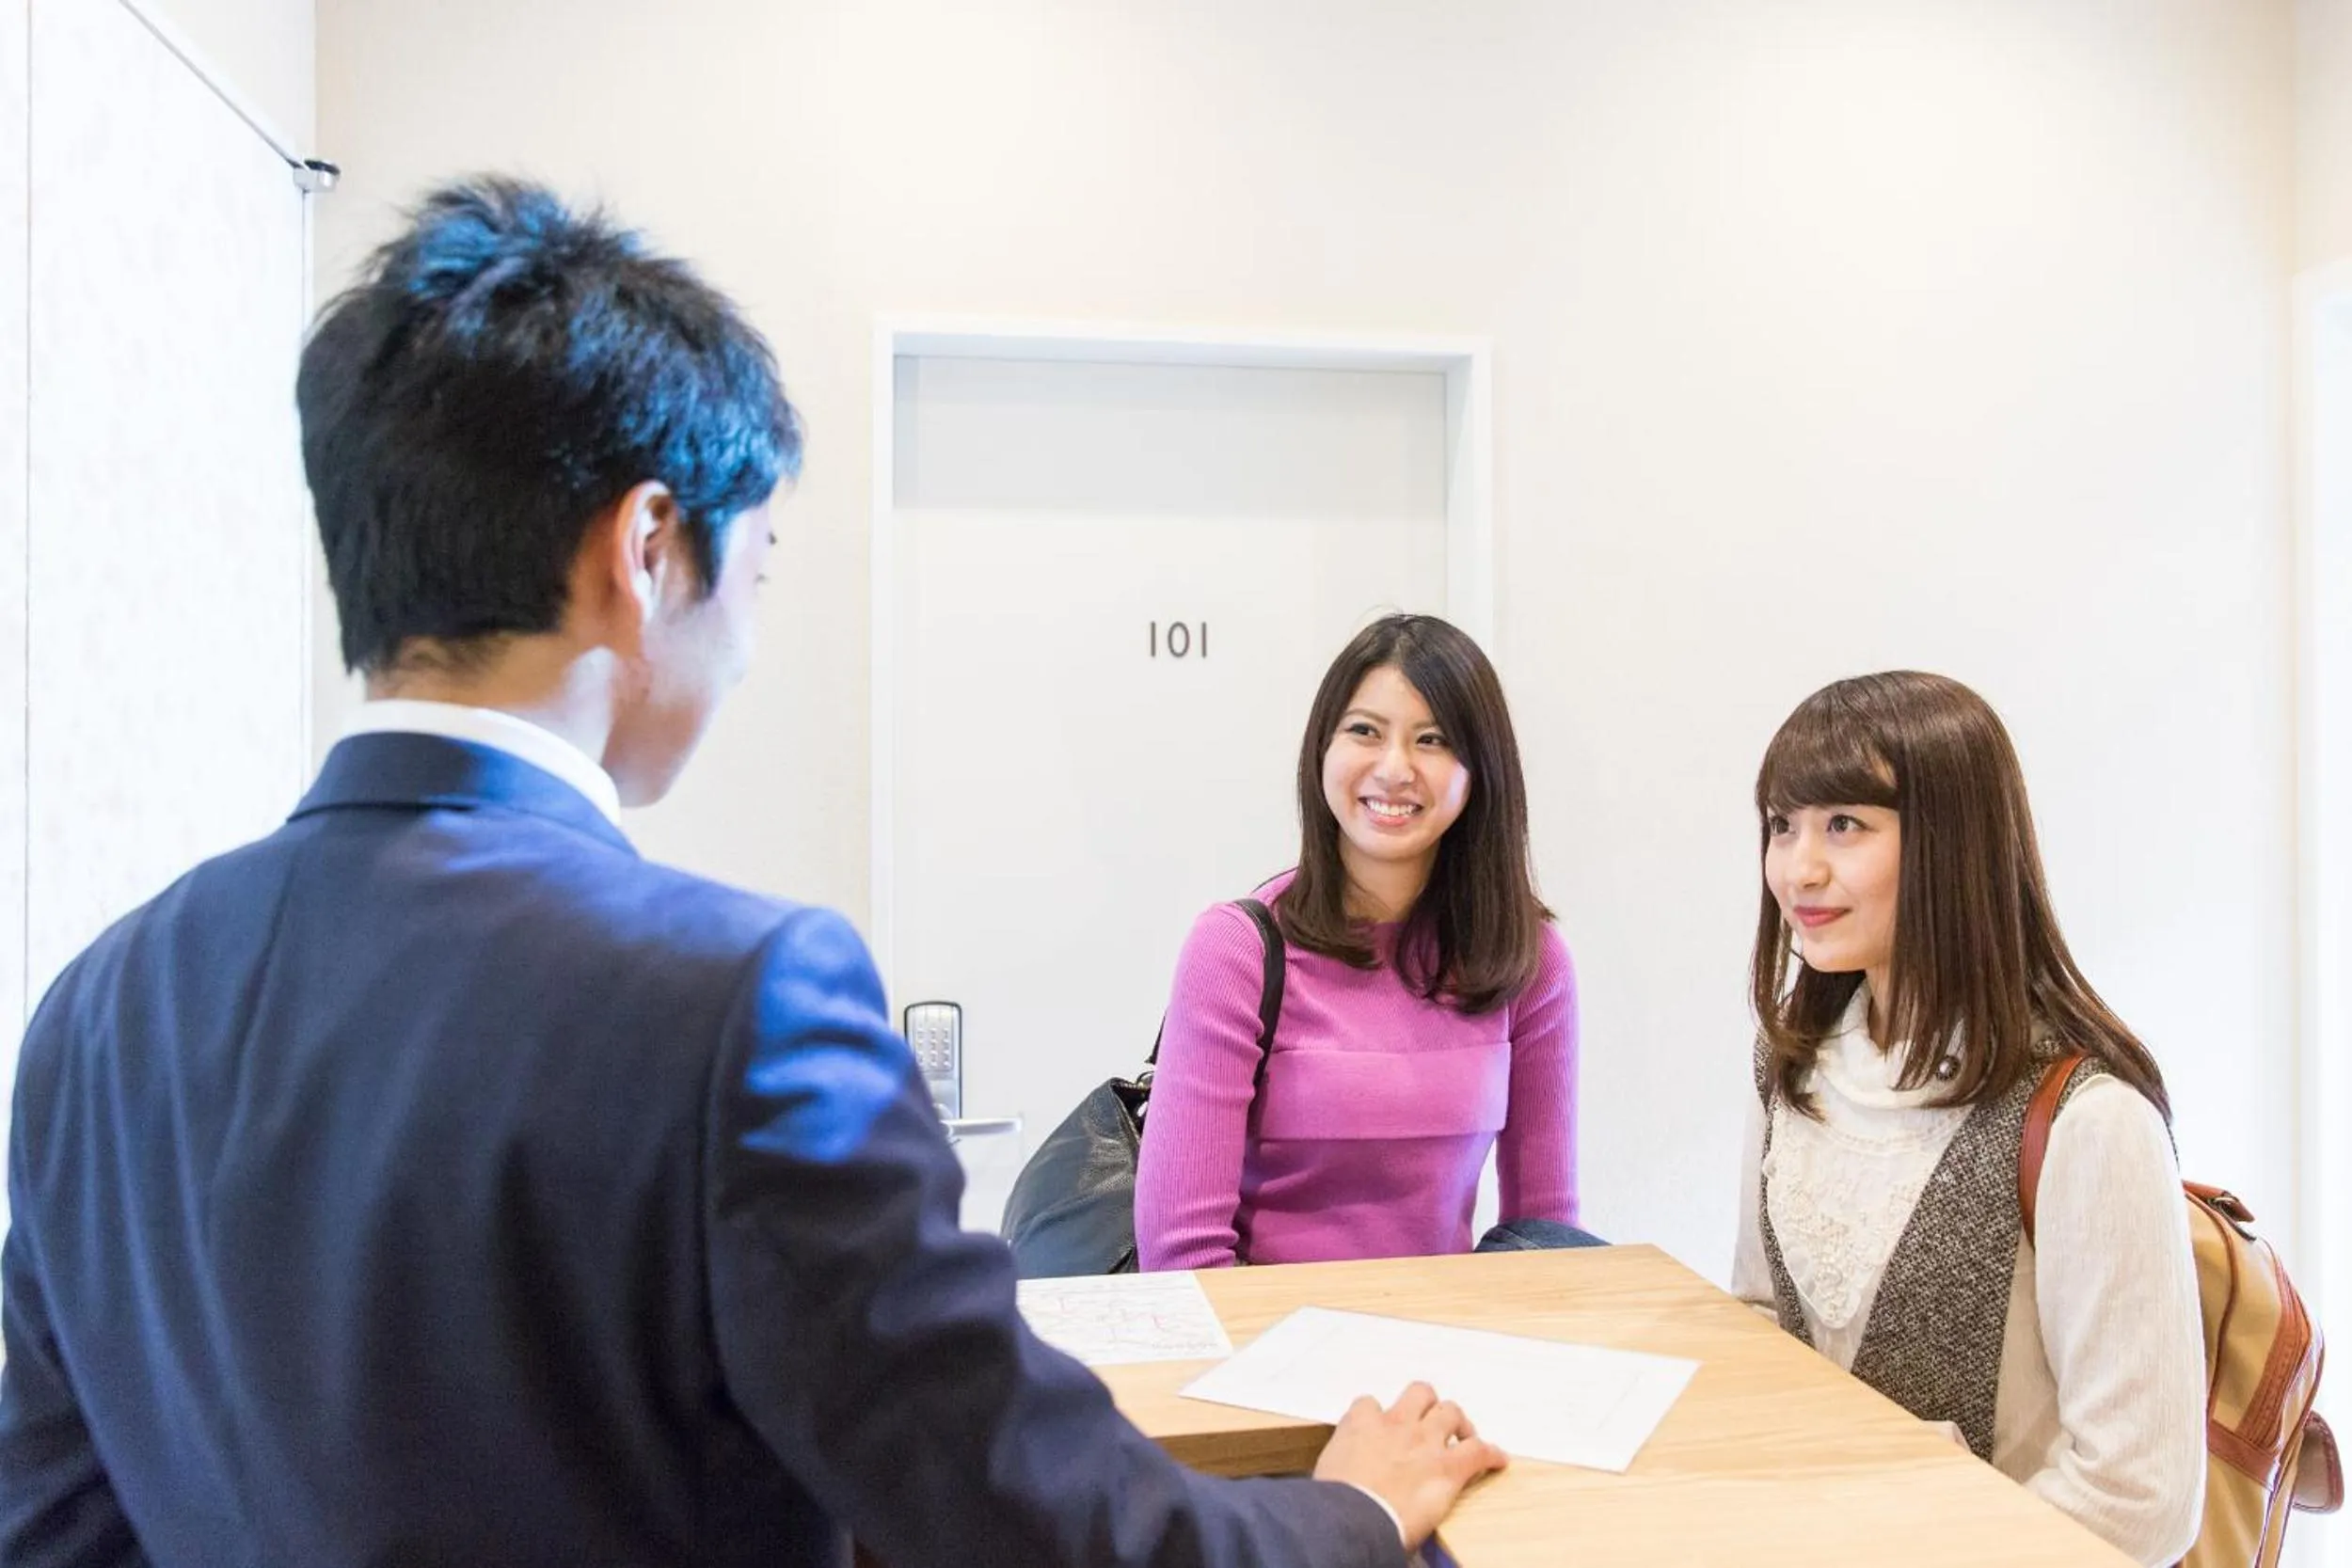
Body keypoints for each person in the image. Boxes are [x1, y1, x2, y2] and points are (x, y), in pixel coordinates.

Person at [0, 179, 1506, 1568]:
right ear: (646, 547)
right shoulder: (739, 1001)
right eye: (762, 561)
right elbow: (1031, 1522)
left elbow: (51, 1519)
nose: (751, 635)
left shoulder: (99, 1008)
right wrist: (1352, 1511)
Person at [1730, 671, 2203, 1564]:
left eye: (1846, 825)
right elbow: (1762, 1316)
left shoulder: (2088, 1122)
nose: (1799, 867)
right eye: (1781, 825)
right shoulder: (1789, 1065)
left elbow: (2140, 1497)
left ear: (1956, 844)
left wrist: (1906, 1532)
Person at [1135, 614, 1581, 1271]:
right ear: (1323, 747)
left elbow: (1544, 1240)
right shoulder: (1235, 951)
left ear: (1479, 770)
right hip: (1259, 1356)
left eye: (1432, 740)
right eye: (1365, 731)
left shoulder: (1531, 961)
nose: (1395, 768)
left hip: (1443, 1358)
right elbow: (1183, 1258)